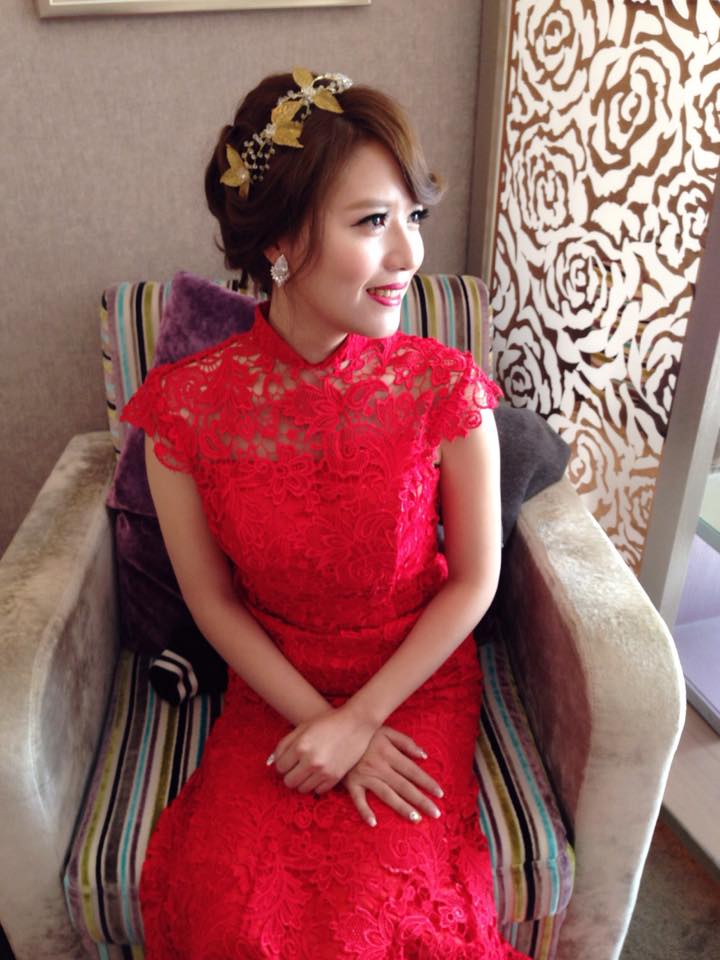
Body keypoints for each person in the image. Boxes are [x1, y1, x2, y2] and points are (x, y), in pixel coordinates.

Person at [121, 68, 530, 959]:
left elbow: (475, 579)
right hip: (275, 687)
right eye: (372, 221)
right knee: (232, 914)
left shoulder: (445, 388)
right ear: (279, 240)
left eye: (412, 217)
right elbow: (212, 601)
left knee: (376, 923)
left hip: (415, 682)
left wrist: (360, 720)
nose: (409, 254)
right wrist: (318, 717)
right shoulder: (183, 410)